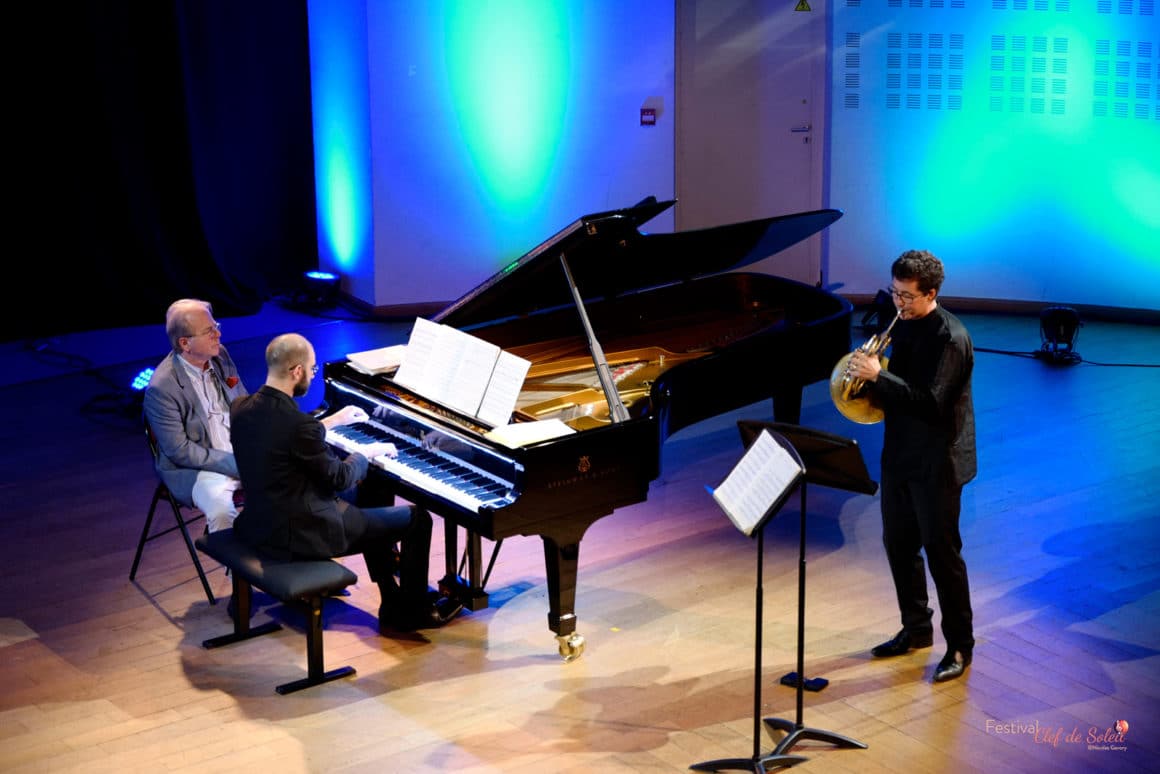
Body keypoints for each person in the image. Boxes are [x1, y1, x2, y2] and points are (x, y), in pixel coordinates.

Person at [229, 332, 460, 632]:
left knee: (373, 489)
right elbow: (338, 478)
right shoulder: (298, 426)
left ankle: (391, 596)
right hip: (303, 532)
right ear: (296, 371)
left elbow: (284, 440)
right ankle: (411, 611)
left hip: (263, 520)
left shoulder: (242, 408)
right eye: (312, 370)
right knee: (417, 519)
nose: (312, 377)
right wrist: (364, 453)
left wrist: (331, 422)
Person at [848, 249, 977, 683]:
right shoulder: (901, 325)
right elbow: (894, 396)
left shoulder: (951, 338)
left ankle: (960, 645)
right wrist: (865, 380)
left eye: (906, 296)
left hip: (937, 462)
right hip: (900, 455)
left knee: (943, 555)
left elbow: (931, 402)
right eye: (894, 292)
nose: (897, 303)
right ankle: (917, 629)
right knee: (898, 546)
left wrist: (877, 376)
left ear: (931, 293)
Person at [143, 299, 247, 533]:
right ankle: (236, 567)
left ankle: (280, 562)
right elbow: (180, 451)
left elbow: (243, 404)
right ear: (185, 343)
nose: (218, 335)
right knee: (222, 512)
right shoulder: (162, 387)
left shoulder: (220, 356)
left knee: (293, 481)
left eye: (216, 326)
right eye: (209, 330)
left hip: (241, 453)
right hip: (201, 469)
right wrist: (234, 464)